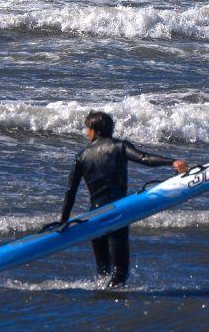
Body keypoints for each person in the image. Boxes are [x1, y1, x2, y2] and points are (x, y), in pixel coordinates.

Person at [52, 110, 188, 287]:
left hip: (95, 216)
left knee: (103, 271)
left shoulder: (82, 157)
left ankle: (102, 298)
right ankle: (114, 298)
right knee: (120, 272)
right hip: (118, 213)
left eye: (87, 129)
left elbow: (71, 192)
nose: (86, 133)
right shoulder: (120, 146)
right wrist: (172, 162)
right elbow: (145, 158)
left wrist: (63, 221)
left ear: (94, 130)